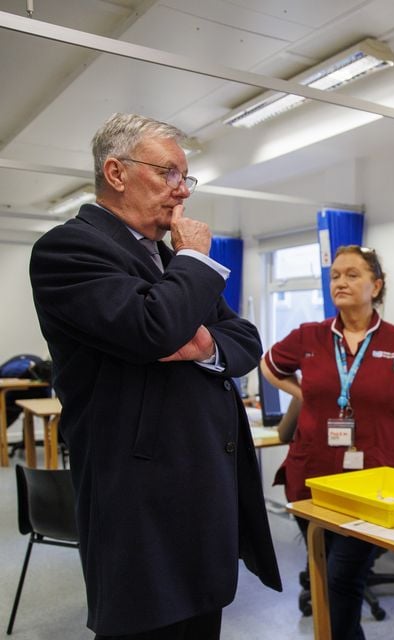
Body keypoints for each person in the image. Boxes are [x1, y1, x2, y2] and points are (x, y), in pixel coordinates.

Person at [28, 113, 282, 638]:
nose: (180, 192)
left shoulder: (167, 262)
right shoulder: (68, 250)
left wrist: (202, 342)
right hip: (140, 500)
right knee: (149, 626)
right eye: (168, 173)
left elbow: (246, 341)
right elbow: (155, 328)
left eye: (186, 178)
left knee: (199, 624)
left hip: (201, 488)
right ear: (116, 172)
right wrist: (193, 261)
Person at [261, 244, 394, 639]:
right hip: (312, 477)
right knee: (327, 574)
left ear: (376, 285)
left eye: (352, 275)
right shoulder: (309, 336)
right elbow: (269, 364)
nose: (340, 282)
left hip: (376, 485)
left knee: (343, 577)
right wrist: (302, 394)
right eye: (335, 276)